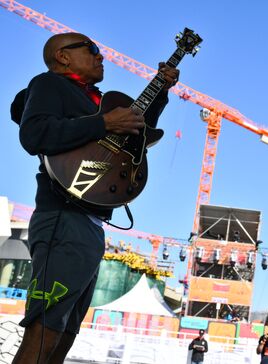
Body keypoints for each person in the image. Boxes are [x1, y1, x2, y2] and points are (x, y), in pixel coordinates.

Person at [11, 32, 179, 363]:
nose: (101, 57)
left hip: (89, 222)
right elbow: (34, 134)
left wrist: (159, 92)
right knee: (44, 332)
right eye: (93, 50)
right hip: (63, 216)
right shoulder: (48, 85)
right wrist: (103, 122)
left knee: (63, 338)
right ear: (63, 56)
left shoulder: (98, 100)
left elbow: (136, 133)